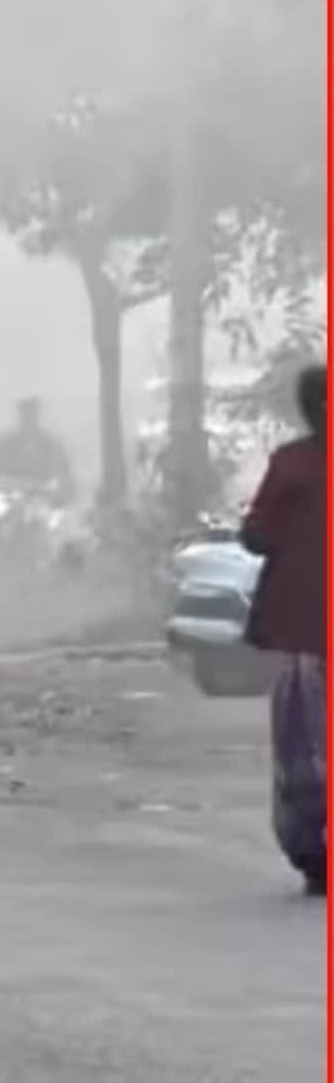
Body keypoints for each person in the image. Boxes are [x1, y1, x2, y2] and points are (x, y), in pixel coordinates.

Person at [240, 362, 327, 897]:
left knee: (305, 743)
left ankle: (316, 854)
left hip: (305, 628)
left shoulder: (292, 463)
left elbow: (257, 536)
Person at [0, 397, 76, 501]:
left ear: (38, 416)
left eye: (33, 415)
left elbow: (65, 473)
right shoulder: (6, 443)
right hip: (10, 498)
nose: (29, 419)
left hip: (41, 500)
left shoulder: (51, 445)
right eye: (26, 415)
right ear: (21, 416)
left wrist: (67, 490)